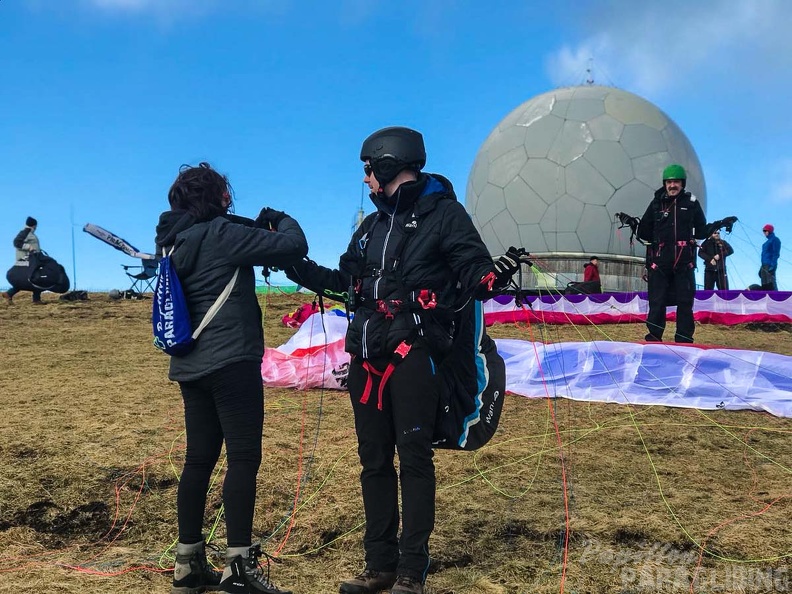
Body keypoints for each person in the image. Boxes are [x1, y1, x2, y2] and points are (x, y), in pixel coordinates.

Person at [284, 126, 527, 594]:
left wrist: (489, 277)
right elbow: (344, 281)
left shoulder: (445, 215)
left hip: (413, 356)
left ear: (390, 164)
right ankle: (380, 566)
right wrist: (293, 262)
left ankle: (412, 572)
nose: (367, 179)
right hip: (367, 356)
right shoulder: (371, 227)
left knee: (413, 459)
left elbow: (472, 271)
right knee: (373, 460)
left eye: (369, 169)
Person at [154, 162, 307, 594]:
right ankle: (238, 568)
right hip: (231, 361)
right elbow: (295, 246)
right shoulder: (222, 235)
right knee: (244, 458)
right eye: (225, 192)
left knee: (198, 460)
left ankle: (188, 565)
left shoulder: (172, 242)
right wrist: (279, 219)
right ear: (219, 197)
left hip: (190, 366)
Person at [637, 164, 707, 343]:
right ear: (665, 183)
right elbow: (643, 231)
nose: (672, 185)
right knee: (657, 301)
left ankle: (684, 338)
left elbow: (701, 231)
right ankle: (654, 336)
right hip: (660, 262)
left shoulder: (691, 203)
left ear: (682, 183)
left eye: (676, 182)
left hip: (684, 262)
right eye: (669, 182)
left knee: (685, 302)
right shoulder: (656, 204)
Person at [2, 216, 45, 305]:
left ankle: (9, 294)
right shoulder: (26, 232)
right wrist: (28, 247)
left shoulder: (29, 233)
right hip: (26, 261)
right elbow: (16, 242)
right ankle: (36, 299)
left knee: (32, 279)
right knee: (37, 278)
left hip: (30, 260)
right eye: (36, 226)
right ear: (34, 225)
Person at [759, 224, 781, 290]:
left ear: (769, 231)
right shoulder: (766, 242)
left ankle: (775, 297)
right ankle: (766, 296)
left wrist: (773, 265)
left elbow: (776, 253)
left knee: (771, 282)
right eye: (763, 231)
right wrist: (761, 267)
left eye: (765, 231)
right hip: (764, 264)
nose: (764, 233)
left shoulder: (775, 240)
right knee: (764, 283)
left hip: (770, 264)